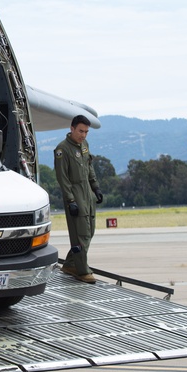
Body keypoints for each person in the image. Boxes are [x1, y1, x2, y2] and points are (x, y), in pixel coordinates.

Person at [54, 115, 103, 283]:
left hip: (87, 193)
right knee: (81, 235)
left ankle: (70, 264)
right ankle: (82, 271)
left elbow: (89, 167)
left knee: (90, 232)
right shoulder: (62, 149)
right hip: (75, 194)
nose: (83, 135)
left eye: (86, 132)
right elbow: (63, 178)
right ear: (72, 128)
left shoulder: (84, 145)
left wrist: (95, 187)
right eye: (81, 131)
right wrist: (70, 200)